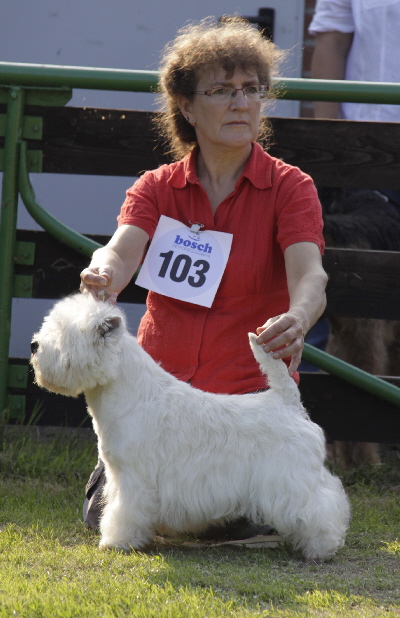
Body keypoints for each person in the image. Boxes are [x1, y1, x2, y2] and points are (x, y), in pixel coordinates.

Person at [80, 16, 328, 539]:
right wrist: (103, 272)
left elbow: (311, 275)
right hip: (158, 409)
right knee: (109, 513)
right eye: (222, 90)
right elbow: (122, 250)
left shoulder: (290, 188)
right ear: (187, 107)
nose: (242, 103)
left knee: (218, 519)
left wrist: (298, 316)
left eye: (252, 89)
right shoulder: (156, 188)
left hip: (244, 411)